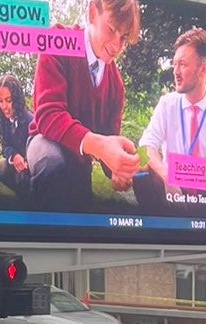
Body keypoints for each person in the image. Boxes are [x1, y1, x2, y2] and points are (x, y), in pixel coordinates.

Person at [27, 0, 146, 205]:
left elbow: (109, 139)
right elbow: (48, 115)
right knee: (52, 166)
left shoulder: (116, 85)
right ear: (92, 12)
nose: (117, 45)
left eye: (124, 37)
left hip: (80, 157)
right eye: (112, 29)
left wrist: (120, 169)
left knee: (79, 198)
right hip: (44, 139)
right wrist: (99, 146)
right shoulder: (58, 39)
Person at [135, 27, 206, 213]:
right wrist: (167, 177)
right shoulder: (167, 105)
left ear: (203, 68)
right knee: (140, 170)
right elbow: (145, 146)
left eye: (182, 64)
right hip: (171, 193)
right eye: (174, 64)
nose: (176, 72)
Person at [0, 73, 33, 198]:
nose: (4, 107)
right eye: (0, 101)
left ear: (17, 99)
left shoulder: (31, 121)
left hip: (32, 166)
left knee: (24, 176)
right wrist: (14, 155)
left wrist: (25, 161)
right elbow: (5, 146)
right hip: (16, 163)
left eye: (8, 100)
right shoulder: (2, 120)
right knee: (2, 168)